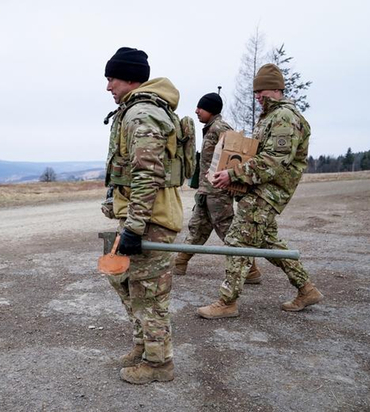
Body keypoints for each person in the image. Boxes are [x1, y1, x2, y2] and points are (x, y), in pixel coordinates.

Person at [197, 63, 324, 319]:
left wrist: (233, 174)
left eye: (261, 91)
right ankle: (307, 289)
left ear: (276, 88)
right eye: (256, 92)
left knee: (237, 241)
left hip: (267, 192)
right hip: (259, 190)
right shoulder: (270, 116)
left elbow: (273, 161)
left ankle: (227, 302)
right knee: (269, 242)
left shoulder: (285, 117)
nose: (257, 96)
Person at [101, 47, 184, 384]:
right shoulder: (136, 111)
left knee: (149, 294)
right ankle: (143, 345)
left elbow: (147, 174)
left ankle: (159, 364)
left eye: (112, 79)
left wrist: (135, 228)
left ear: (131, 78)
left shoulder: (143, 115)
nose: (108, 87)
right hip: (139, 218)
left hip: (151, 222)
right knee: (122, 279)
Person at [172, 92, 262, 283]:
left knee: (227, 230)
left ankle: (251, 270)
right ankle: (180, 262)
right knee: (197, 228)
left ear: (211, 109)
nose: (196, 111)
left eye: (201, 107)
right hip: (207, 191)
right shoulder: (211, 127)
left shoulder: (220, 128)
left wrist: (231, 181)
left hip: (218, 192)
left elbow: (235, 156)